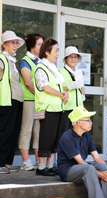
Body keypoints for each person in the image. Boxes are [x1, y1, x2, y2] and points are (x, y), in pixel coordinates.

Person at [34, 38, 69, 176]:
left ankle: (50, 165)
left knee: (56, 137)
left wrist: (64, 94)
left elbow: (58, 86)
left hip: (58, 107)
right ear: (47, 52)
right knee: (46, 137)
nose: (58, 53)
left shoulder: (53, 68)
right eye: (56, 51)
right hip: (48, 108)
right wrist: (61, 95)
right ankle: (41, 167)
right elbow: (46, 88)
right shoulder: (41, 68)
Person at [0, 31, 25, 174]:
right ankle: (0, 162)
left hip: (16, 100)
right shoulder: (1, 59)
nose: (15, 45)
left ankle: (7, 162)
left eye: (16, 43)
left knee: (13, 133)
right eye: (12, 42)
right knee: (4, 132)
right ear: (4, 44)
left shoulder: (12, 60)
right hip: (6, 101)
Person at [19, 34, 44, 171]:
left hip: (39, 101)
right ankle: (25, 161)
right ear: (31, 45)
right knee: (27, 130)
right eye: (39, 44)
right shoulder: (25, 61)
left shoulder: (39, 61)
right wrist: (41, 94)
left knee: (38, 132)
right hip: (29, 100)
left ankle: (37, 160)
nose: (41, 47)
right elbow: (28, 83)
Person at [59, 46, 85, 126]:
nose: (73, 59)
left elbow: (82, 86)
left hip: (79, 108)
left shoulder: (78, 72)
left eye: (75, 57)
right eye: (70, 57)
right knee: (66, 133)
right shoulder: (60, 72)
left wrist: (83, 94)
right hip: (67, 108)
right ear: (66, 59)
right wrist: (68, 87)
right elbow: (56, 89)